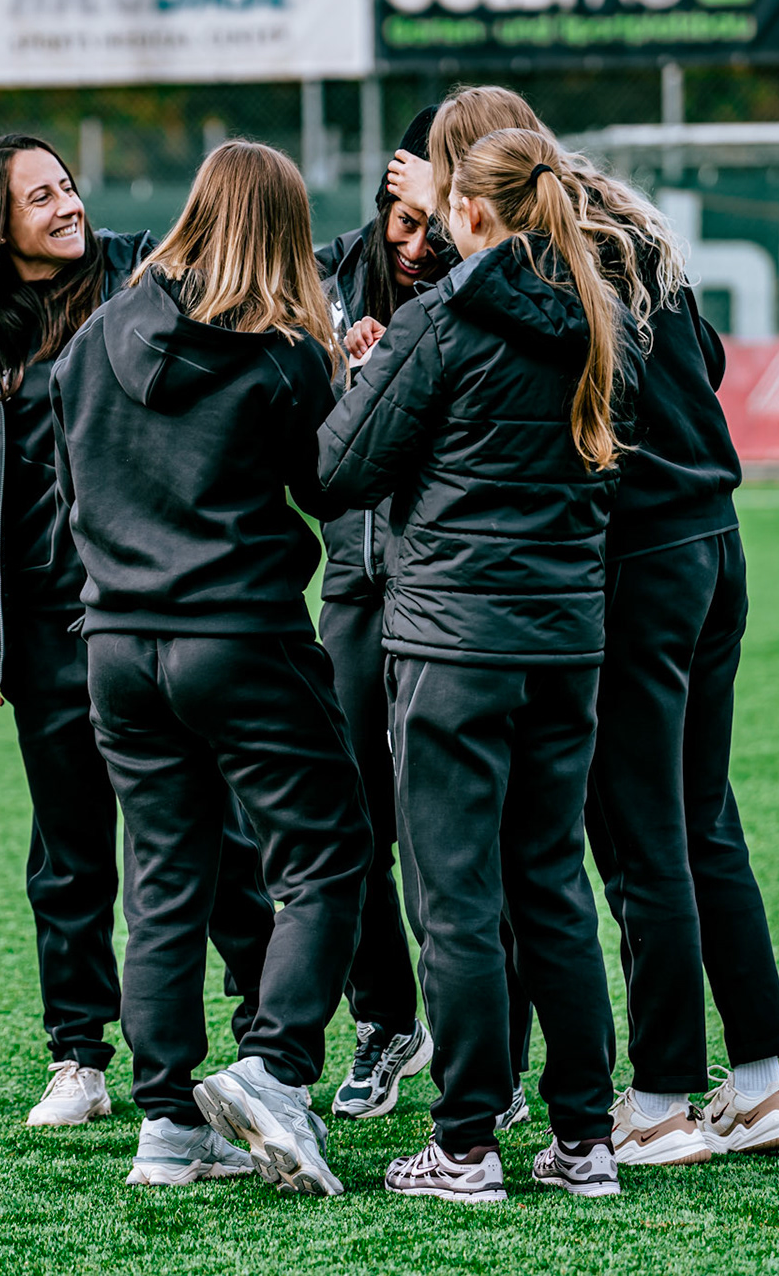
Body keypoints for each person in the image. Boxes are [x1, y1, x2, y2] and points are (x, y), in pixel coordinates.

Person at [404, 85, 779, 1165]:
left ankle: (662, 1096)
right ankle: (762, 1084)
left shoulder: (541, 254)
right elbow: (709, 360)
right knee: (701, 814)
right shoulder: (632, 221)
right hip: (716, 537)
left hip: (633, 554)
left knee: (638, 835)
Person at [0, 134, 275, 1131]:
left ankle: (263, 1039)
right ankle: (79, 1053)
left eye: (68, 185)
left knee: (214, 832)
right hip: (38, 624)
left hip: (159, 606)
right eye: (40, 195)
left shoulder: (152, 275)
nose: (67, 204)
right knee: (68, 850)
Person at [319, 127, 643, 1202]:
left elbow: (339, 469)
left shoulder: (443, 319)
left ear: (469, 212)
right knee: (551, 883)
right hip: (563, 643)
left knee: (454, 896)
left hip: (452, 645)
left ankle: (463, 1144)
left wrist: (357, 376)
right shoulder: (599, 315)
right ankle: (586, 1139)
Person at [51, 141, 373, 1196]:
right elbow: (330, 488)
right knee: (328, 854)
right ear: (283, 230)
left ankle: (166, 1127)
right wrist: (356, 381)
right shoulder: (283, 356)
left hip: (115, 646)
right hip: (240, 634)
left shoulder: (95, 336)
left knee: (163, 882)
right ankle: (278, 1069)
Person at [309, 104, 445, 1123]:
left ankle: (488, 1040)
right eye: (396, 221)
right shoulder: (325, 274)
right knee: (349, 817)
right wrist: (340, 374)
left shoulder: (508, 283)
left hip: (456, 597)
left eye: (428, 225)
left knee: (465, 825)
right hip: (352, 589)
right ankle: (387, 1019)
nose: (408, 246)